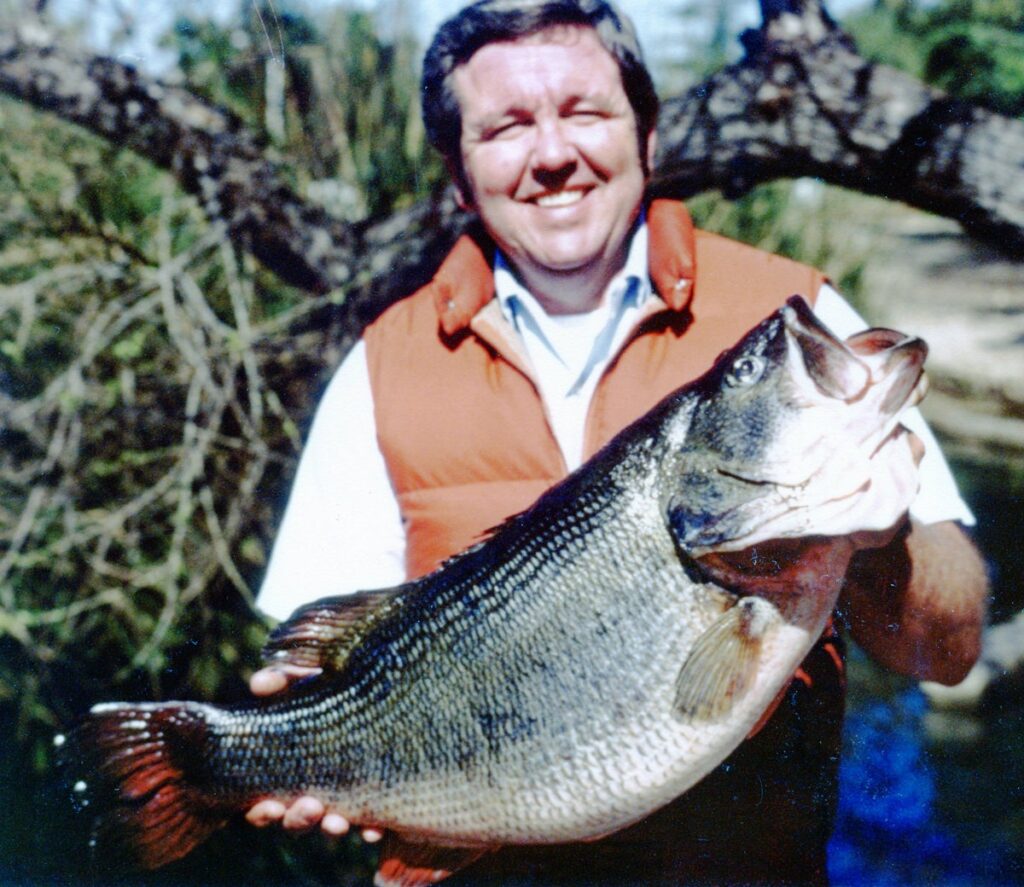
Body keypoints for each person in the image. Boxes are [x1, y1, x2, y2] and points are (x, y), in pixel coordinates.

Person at [245, 1, 988, 882]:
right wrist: (285, 749)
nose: (553, 153)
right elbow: (321, 663)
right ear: (456, 173)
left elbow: (949, 650)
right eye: (506, 126)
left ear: (646, 134)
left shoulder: (799, 323)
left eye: (586, 111)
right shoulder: (379, 367)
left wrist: (879, 539)